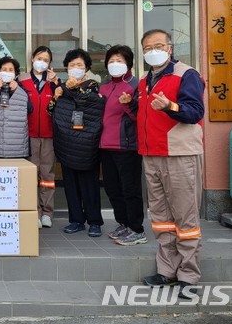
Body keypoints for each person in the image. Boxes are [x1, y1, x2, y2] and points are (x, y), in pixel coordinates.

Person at [137, 29, 205, 298]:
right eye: (147, 47)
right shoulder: (144, 79)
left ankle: (188, 275)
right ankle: (166, 270)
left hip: (179, 154)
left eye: (158, 45)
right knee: (161, 218)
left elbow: (195, 112)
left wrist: (170, 107)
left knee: (185, 216)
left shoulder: (186, 75)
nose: (153, 50)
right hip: (151, 154)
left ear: (169, 48)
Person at [49, 48, 105, 237]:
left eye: (79, 65)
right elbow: (51, 111)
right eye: (72, 65)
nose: (75, 68)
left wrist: (73, 89)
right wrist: (56, 96)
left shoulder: (93, 86)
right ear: (66, 68)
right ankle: (76, 220)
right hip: (67, 144)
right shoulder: (61, 88)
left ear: (87, 68)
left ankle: (95, 221)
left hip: (87, 145)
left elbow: (90, 104)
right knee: (71, 185)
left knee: (89, 185)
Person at [99, 45, 146, 246]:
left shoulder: (135, 85)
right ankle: (123, 223)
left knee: (130, 189)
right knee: (112, 188)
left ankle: (137, 229)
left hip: (127, 146)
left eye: (119, 61)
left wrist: (128, 104)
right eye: (111, 61)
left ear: (128, 63)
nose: (114, 64)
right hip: (105, 146)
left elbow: (139, 117)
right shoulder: (104, 87)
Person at [19, 46, 60, 229]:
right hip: (28, 135)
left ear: (49, 63)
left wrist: (57, 84)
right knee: (31, 174)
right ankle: (34, 210)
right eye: (39, 57)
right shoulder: (22, 80)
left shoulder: (54, 83)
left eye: (45, 59)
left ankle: (47, 213)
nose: (41, 62)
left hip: (49, 135)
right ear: (32, 58)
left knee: (47, 175)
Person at [0, 56, 30, 158]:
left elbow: (30, 109)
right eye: (4, 69)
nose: (7, 72)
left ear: (15, 73)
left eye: (11, 70)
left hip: (16, 146)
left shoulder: (22, 90)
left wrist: (17, 90)